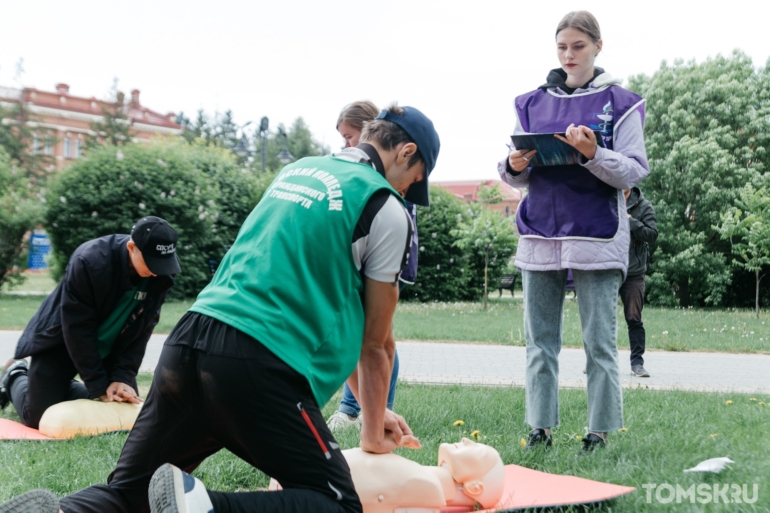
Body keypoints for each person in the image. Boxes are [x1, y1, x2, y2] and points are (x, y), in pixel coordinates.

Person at [0, 103, 440, 513]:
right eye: (413, 181)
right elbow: (375, 341)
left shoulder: (297, 171)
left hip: (190, 342)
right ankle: (203, 506)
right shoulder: (384, 206)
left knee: (131, 493)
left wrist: (373, 408)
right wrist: (371, 434)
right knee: (336, 502)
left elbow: (333, 311)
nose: (406, 191)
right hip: (259, 365)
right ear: (406, 152)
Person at [499, 11, 649, 451]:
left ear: (598, 46)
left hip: (595, 235)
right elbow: (516, 174)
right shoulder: (528, 102)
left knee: (598, 343)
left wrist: (593, 152)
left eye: (578, 46)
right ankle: (539, 429)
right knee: (539, 343)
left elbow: (634, 171)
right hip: (539, 234)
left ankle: (598, 432)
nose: (568, 55)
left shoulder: (623, 103)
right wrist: (512, 166)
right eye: (562, 47)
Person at [0, 216, 180, 429]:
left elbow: (143, 329)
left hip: (112, 347)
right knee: (37, 417)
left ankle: (61, 386)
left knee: (122, 407)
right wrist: (100, 386)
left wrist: (122, 376)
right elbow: (77, 329)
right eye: (151, 262)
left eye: (162, 263)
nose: (157, 271)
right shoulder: (90, 260)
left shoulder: (161, 273)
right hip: (63, 340)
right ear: (132, 247)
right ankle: (16, 373)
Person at [327, 101, 420, 431]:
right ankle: (367, 409)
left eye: (350, 137)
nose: (347, 146)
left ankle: (370, 408)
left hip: (380, 261)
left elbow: (376, 345)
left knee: (375, 335)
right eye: (345, 140)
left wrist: (376, 413)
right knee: (369, 337)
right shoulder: (362, 190)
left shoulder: (384, 201)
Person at [270, 438, 505, 513]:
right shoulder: (423, 479)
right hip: (301, 477)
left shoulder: (428, 488)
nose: (467, 439)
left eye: (478, 449)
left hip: (300, 487)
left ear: (475, 488)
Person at [620, 187, 657, 378]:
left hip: (634, 273)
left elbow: (652, 234)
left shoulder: (643, 206)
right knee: (601, 319)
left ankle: (637, 364)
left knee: (634, 318)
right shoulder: (606, 199)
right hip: (608, 269)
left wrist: (631, 222)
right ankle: (595, 361)